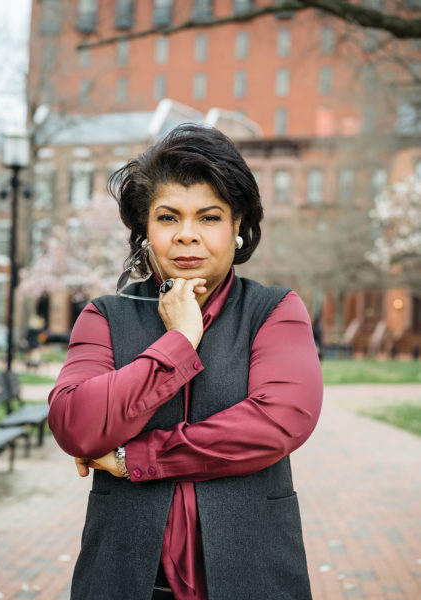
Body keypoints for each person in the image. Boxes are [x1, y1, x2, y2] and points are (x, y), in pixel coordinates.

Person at [48, 124, 323, 600]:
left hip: (252, 576)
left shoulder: (275, 311)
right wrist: (179, 341)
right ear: (145, 230)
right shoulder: (104, 316)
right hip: (124, 581)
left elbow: (279, 421)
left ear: (238, 226)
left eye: (209, 217)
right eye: (169, 218)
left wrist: (133, 456)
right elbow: (75, 424)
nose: (188, 236)